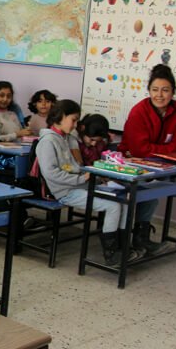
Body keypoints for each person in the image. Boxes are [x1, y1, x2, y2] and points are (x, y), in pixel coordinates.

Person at [118, 64, 176, 257]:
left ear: (173, 92)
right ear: (149, 90)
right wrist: (171, 149)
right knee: (151, 188)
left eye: (165, 90)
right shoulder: (139, 112)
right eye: (155, 90)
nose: (159, 95)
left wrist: (164, 150)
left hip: (165, 168)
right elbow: (139, 150)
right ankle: (140, 237)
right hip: (134, 168)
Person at [36, 100, 143, 266]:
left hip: (82, 185)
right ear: (61, 117)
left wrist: (95, 175)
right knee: (113, 206)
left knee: (125, 200)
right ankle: (111, 254)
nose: (76, 125)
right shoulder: (48, 141)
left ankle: (123, 247)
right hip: (65, 192)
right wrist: (82, 178)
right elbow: (51, 174)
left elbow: (77, 166)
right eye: (73, 119)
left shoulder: (67, 138)